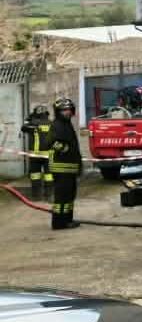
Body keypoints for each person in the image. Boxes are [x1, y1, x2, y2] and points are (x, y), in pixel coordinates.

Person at [46, 97, 83, 230]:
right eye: (64, 110)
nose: (67, 112)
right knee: (62, 197)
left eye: (69, 109)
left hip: (69, 167)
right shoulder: (57, 124)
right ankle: (58, 223)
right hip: (61, 168)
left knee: (69, 196)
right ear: (58, 112)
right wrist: (65, 149)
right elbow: (50, 142)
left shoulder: (67, 124)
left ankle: (67, 220)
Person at [20, 105, 53, 201]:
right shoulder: (52, 123)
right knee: (49, 176)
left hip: (35, 155)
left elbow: (23, 128)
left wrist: (29, 118)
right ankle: (49, 195)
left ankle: (36, 196)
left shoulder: (32, 124)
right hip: (49, 155)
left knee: (35, 175)